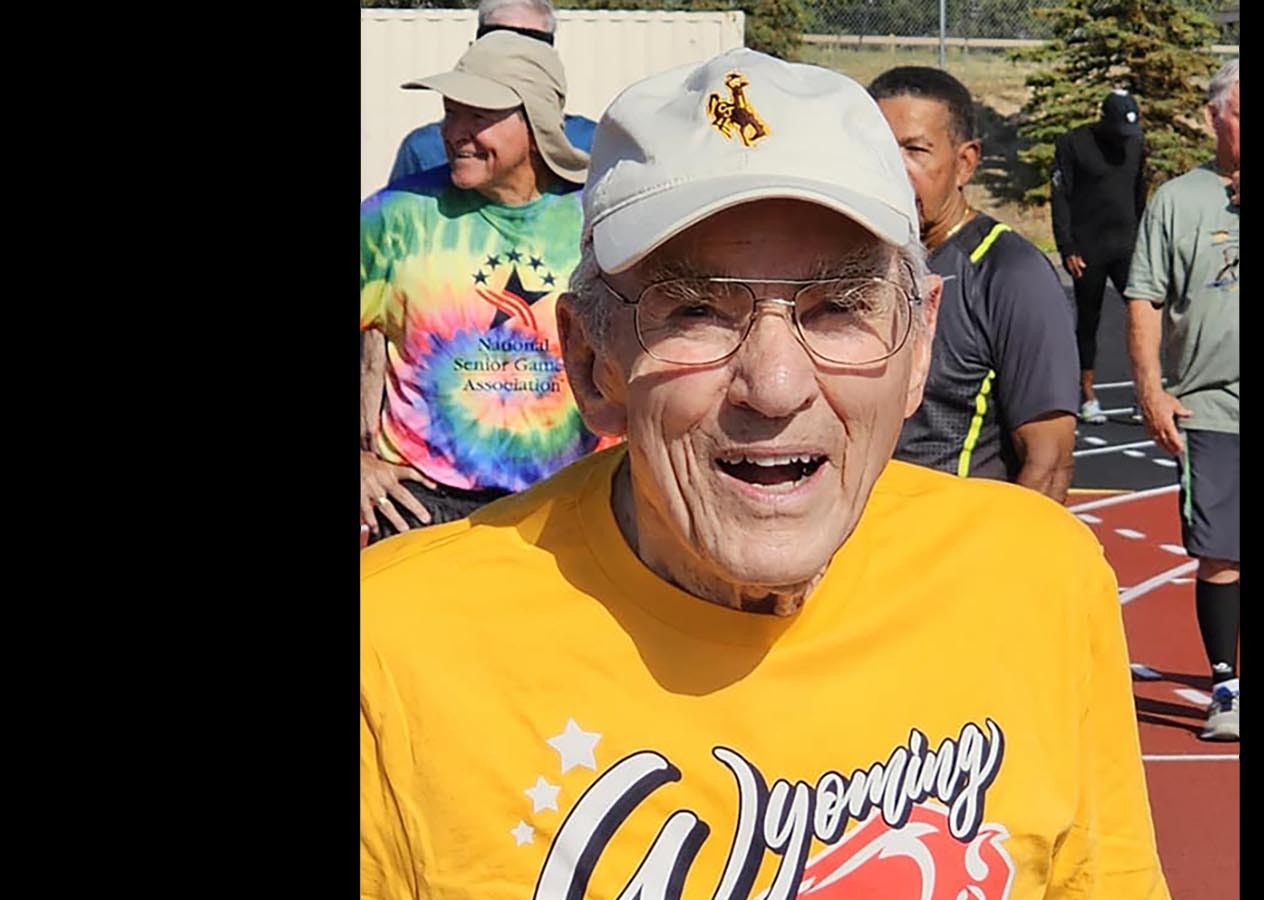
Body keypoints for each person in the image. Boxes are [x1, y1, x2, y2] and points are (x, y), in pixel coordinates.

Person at [361, 48, 1169, 899]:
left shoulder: (1037, 582)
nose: (776, 387)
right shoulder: (396, 651)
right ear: (592, 357)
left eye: (840, 308)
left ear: (920, 341)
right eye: (696, 311)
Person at [359, 29, 602, 545]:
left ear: (536, 122)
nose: (455, 132)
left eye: (479, 116)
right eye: (451, 112)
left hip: (570, 504)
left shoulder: (595, 219)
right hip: (420, 506)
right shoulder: (396, 218)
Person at [867, 66, 1080, 503]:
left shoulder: (1009, 273)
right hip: (858, 551)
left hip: (953, 551)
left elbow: (1050, 461)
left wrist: (999, 567)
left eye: (915, 150)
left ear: (965, 162)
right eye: (878, 150)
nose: (894, 169)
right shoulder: (852, 263)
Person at [1123, 59, 1240, 741]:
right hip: (1211, 410)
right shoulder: (1178, 201)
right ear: (1215, 118)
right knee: (1222, 552)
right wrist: (1150, 390)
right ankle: (1225, 686)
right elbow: (1145, 296)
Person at [386, 0, 598, 186]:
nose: (458, 135)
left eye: (531, 44)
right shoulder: (424, 150)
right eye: (495, 40)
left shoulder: (595, 144)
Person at [1051, 90, 1148, 424]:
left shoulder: (1136, 144)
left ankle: (1144, 393)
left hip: (1127, 247)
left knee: (1142, 317)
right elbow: (1060, 197)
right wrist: (1067, 247)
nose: (1125, 140)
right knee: (1089, 322)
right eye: (1119, 131)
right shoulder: (1073, 144)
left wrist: (1144, 242)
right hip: (1088, 249)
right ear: (1104, 120)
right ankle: (1088, 396)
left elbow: (1139, 194)